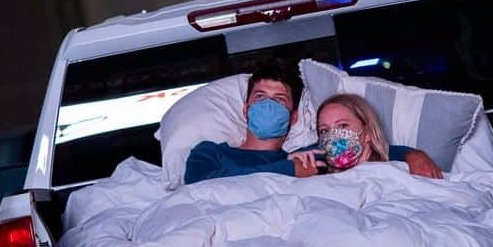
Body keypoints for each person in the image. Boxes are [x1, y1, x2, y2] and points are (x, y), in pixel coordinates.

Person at [183, 62, 442, 184]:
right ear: (245, 108)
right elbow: (203, 185)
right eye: (260, 97)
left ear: (293, 116)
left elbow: (364, 151)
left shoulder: (307, 158)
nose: (268, 106)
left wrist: (412, 154)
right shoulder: (210, 152)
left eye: (279, 99)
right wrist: (289, 171)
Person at [315, 93, 443, 177]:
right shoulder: (320, 171)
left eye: (343, 126)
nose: (332, 137)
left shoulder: (393, 166)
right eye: (324, 131)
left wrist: (413, 154)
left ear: (368, 132)